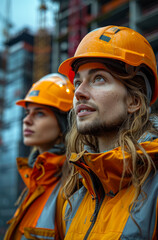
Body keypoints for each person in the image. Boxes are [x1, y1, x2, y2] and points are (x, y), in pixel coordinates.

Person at [58, 25, 158, 239]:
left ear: (134, 100)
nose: (79, 92)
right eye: (77, 82)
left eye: (98, 78)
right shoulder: (75, 195)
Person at [4, 73, 74, 240]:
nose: (26, 120)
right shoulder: (36, 178)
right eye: (28, 112)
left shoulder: (73, 186)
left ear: (63, 125)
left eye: (40, 113)